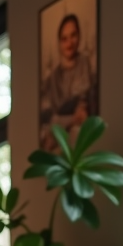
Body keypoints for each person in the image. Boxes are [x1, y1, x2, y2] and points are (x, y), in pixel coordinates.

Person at [40, 12, 97, 153]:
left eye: (73, 35)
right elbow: (51, 118)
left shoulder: (84, 63)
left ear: (79, 36)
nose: (69, 43)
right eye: (64, 38)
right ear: (59, 42)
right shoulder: (53, 78)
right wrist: (72, 119)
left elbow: (84, 108)